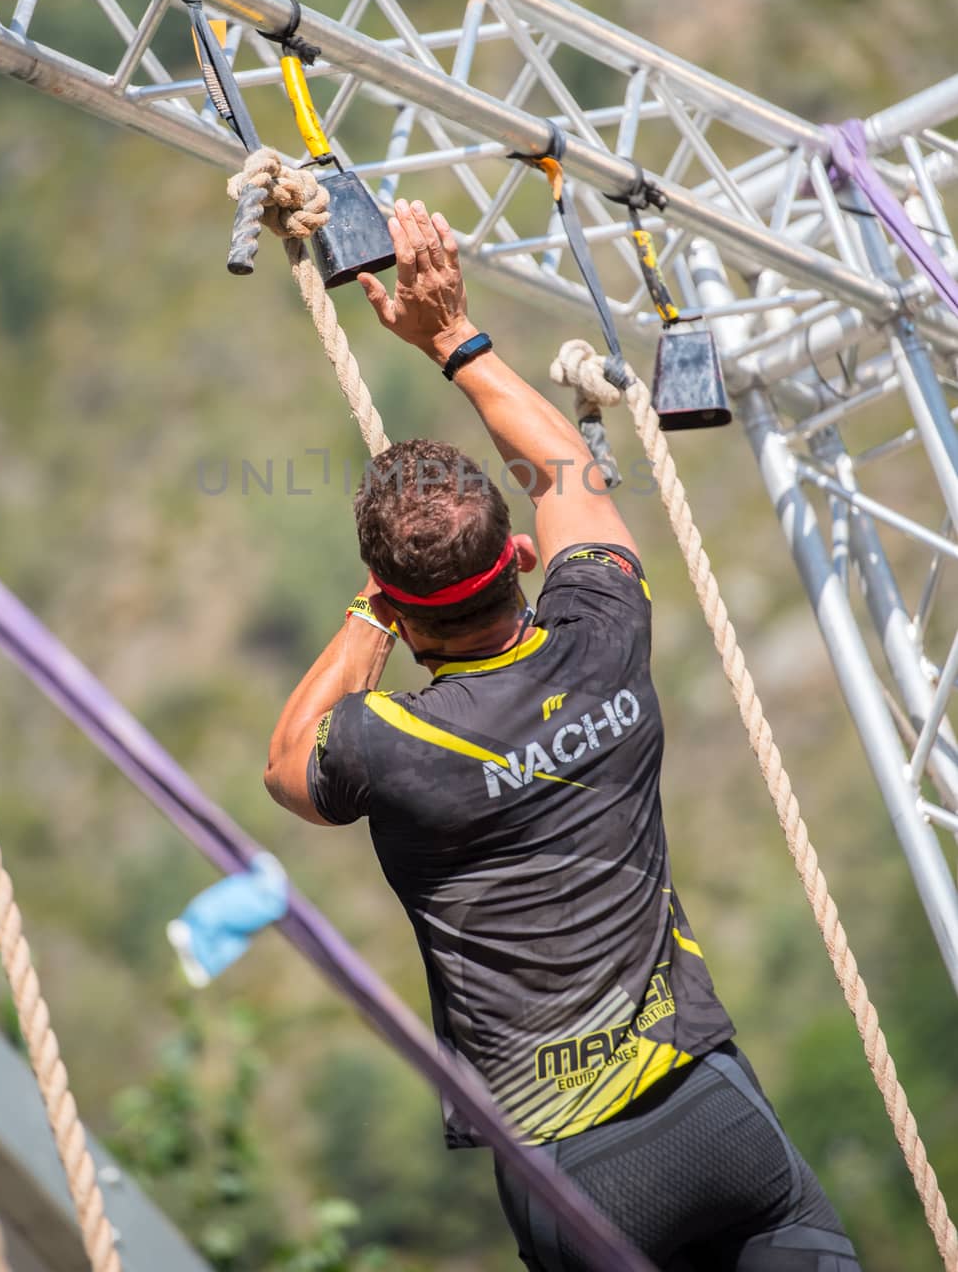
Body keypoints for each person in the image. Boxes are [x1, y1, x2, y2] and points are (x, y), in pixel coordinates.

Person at [264, 198, 861, 1270]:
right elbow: (565, 473)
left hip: (569, 1173)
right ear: (527, 558)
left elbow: (286, 761)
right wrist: (454, 336)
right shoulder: (603, 633)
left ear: (400, 617)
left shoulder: (394, 742)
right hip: (712, 1104)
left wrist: (372, 612)